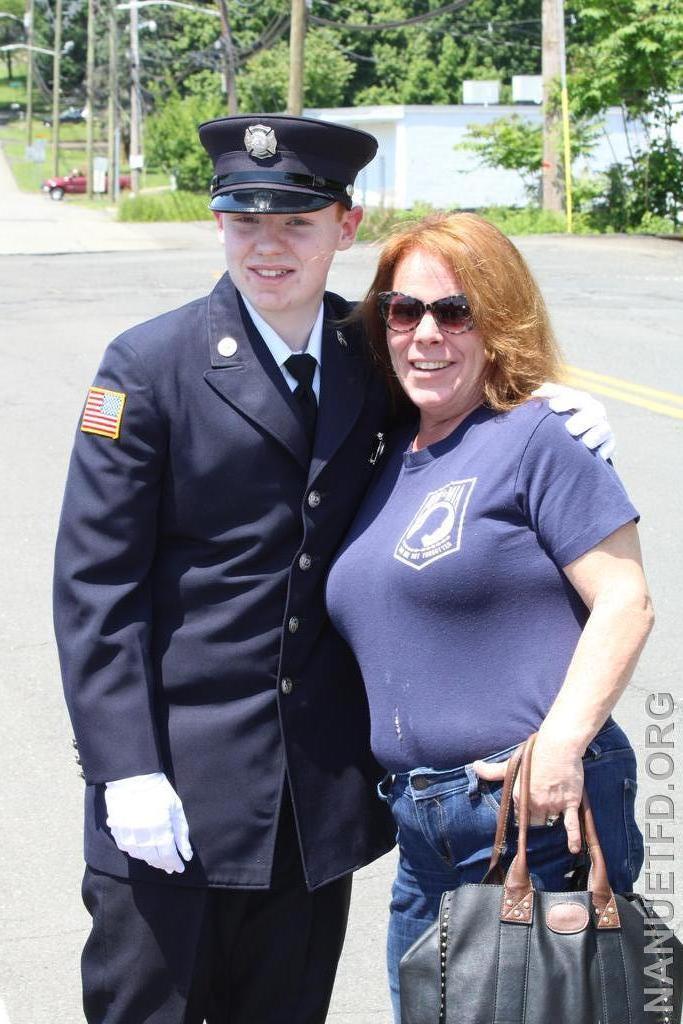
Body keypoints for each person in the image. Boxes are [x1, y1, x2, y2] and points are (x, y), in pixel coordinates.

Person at [53, 117, 616, 1024]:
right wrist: (126, 769)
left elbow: (462, 399)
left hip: (311, 802)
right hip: (174, 791)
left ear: (345, 228)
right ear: (219, 223)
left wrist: (548, 402)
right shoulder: (148, 368)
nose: (268, 247)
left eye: (297, 223)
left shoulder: (373, 354)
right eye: (245, 222)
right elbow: (95, 588)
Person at [325, 212, 654, 1021]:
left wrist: (563, 744)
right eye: (404, 312)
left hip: (531, 813)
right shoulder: (385, 453)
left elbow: (625, 600)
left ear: (498, 321)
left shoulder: (537, 438)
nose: (425, 334)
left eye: (454, 312)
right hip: (422, 826)